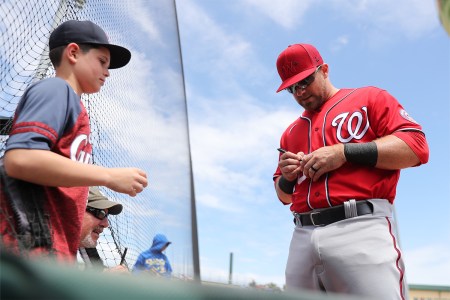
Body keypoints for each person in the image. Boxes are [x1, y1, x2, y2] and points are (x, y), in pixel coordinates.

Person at [273, 44, 429, 299]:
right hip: (301, 234)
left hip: (359, 226)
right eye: (292, 88)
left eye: (305, 81)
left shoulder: (369, 98)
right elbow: (283, 196)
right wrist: (288, 178)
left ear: (324, 70)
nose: (300, 92)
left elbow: (416, 147)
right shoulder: (290, 132)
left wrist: (344, 152)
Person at [0, 20, 148, 262]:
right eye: (102, 61)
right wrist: (109, 176)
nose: (107, 72)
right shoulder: (57, 90)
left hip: (49, 252)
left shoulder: (73, 105)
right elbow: (20, 158)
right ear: (73, 52)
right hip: (29, 253)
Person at [78, 186, 128, 273]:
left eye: (106, 216)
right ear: (76, 208)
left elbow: (97, 271)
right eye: (101, 213)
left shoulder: (85, 245)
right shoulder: (48, 242)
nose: (106, 224)